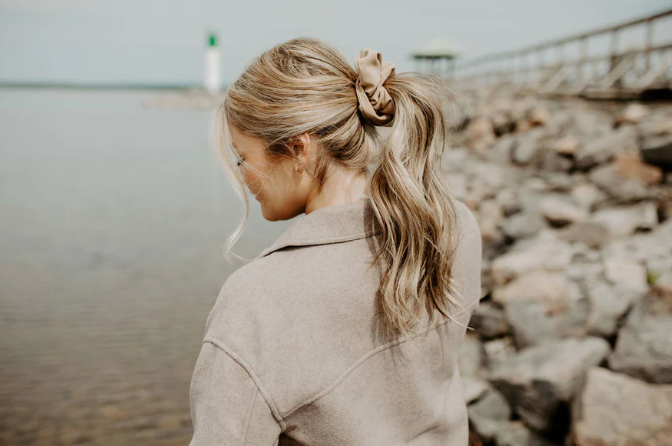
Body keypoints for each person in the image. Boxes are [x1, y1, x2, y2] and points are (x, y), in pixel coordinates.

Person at [188, 37, 483, 446]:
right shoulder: (454, 227)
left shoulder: (256, 302)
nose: (241, 174)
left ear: (297, 149)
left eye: (243, 157)